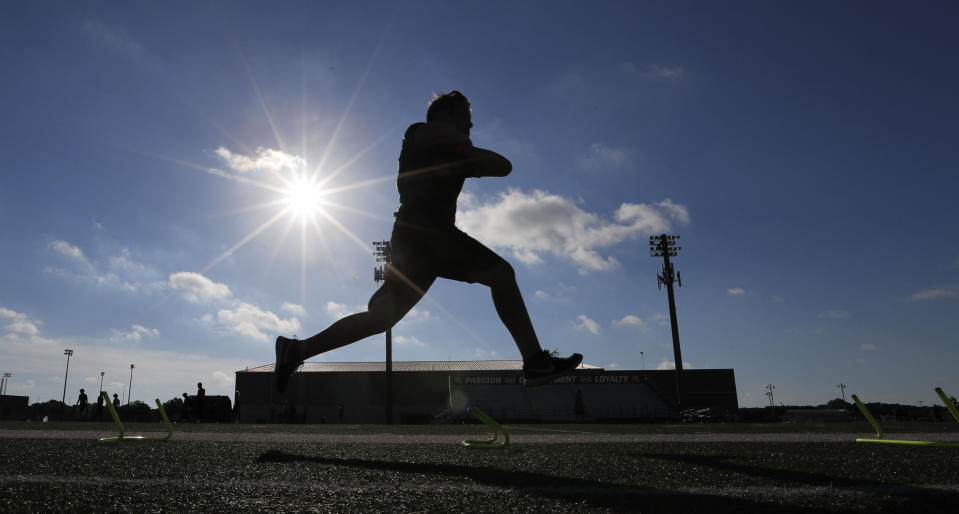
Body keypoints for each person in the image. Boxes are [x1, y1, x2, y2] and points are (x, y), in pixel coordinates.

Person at [275, 90, 581, 392]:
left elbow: (503, 166)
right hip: (426, 234)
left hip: (421, 241)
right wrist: (464, 150)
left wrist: (463, 153)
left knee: (382, 318)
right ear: (445, 117)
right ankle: (536, 362)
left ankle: (297, 350)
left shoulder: (455, 154)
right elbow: (438, 134)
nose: (470, 127)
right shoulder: (417, 135)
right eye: (465, 119)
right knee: (501, 275)